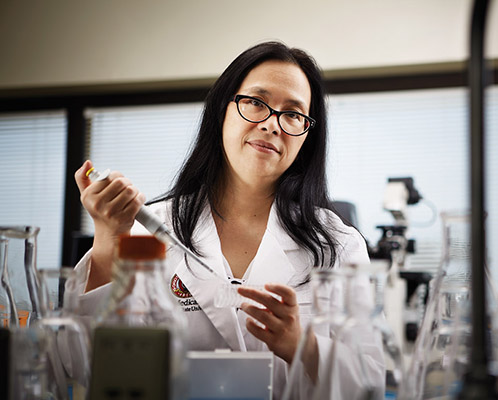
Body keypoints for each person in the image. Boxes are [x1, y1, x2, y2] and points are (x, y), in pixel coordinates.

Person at [74, 41, 384, 398]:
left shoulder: (339, 245)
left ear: (306, 136)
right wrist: (109, 235)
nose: (272, 125)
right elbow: (81, 362)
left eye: (293, 114)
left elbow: (371, 383)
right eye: (255, 102)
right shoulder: (151, 227)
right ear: (223, 109)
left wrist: (303, 345)